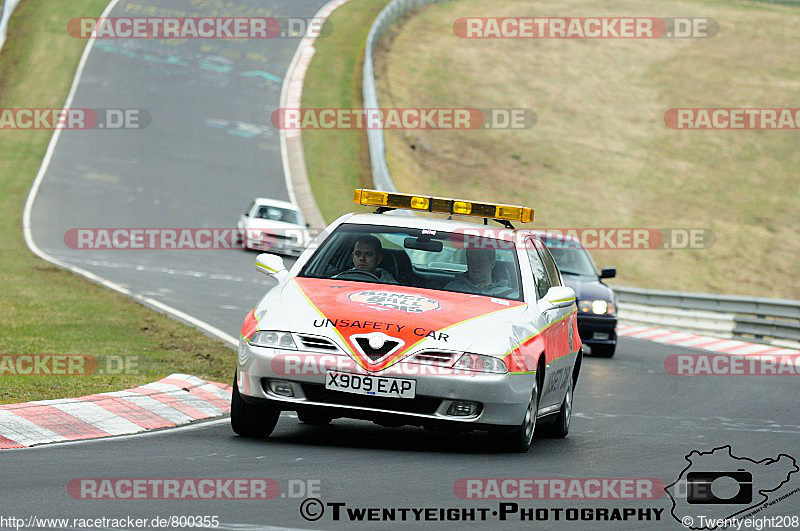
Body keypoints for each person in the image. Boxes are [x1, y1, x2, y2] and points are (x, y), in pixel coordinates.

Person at [445, 248, 511, 296]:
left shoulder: (508, 294)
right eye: (471, 261)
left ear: (492, 264)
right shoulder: (452, 289)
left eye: (480, 261)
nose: (474, 265)